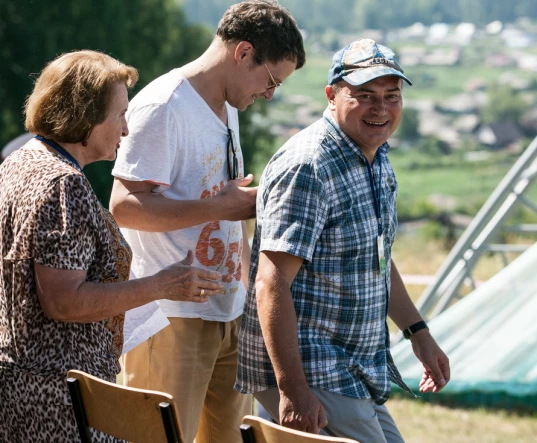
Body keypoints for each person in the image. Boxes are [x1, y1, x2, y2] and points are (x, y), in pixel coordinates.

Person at [0, 50, 223, 442]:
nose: (126, 129)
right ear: (85, 113)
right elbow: (64, 302)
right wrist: (162, 285)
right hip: (58, 403)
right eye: (121, 114)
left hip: (25, 390)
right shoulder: (61, 185)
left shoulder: (19, 161)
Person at [235, 39, 450, 442]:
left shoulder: (375, 156)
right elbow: (271, 282)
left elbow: (376, 258)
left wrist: (418, 332)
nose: (381, 108)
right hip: (312, 368)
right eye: (364, 95)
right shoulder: (309, 165)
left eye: (391, 96)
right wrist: (292, 391)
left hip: (353, 369)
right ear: (332, 95)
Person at [108, 1, 305, 441]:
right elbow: (123, 206)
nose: (271, 94)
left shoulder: (228, 103)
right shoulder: (164, 106)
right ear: (242, 53)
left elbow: (221, 200)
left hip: (227, 311)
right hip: (169, 316)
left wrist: (249, 284)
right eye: (271, 80)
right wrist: (222, 206)